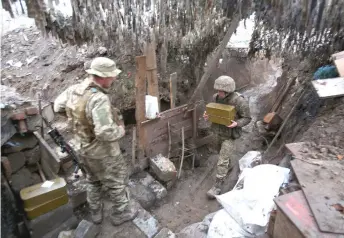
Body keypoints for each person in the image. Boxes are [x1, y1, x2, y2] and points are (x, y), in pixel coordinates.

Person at [53, 57, 138, 225]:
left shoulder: (74, 90)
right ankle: (121, 213)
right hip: (102, 152)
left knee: (93, 180)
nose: (114, 79)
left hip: (82, 147)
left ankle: (96, 214)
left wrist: (79, 122)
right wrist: (120, 131)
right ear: (103, 76)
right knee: (116, 182)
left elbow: (57, 107)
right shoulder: (99, 99)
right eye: (112, 76)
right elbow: (104, 133)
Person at [204, 75, 251, 199]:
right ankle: (228, 166)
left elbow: (247, 118)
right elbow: (213, 111)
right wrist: (208, 116)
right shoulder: (216, 98)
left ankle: (217, 186)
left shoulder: (239, 101)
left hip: (230, 135)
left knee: (222, 160)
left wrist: (237, 123)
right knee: (222, 154)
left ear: (228, 90)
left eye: (221, 91)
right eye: (218, 90)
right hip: (217, 132)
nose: (219, 93)